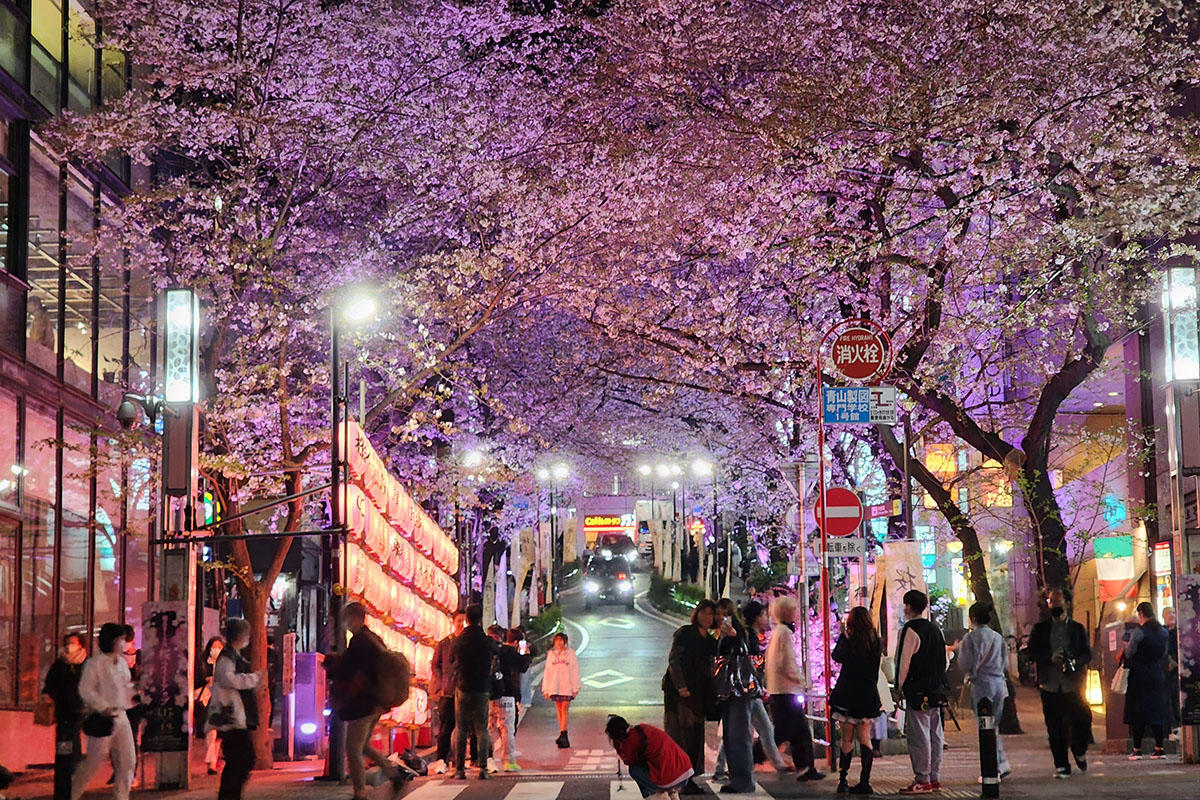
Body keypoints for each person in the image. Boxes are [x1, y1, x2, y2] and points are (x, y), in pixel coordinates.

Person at [329, 603, 409, 798]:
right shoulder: (374, 638)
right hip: (378, 701)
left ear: (355, 618)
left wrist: (333, 661)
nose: (345, 624)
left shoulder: (359, 641)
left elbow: (348, 669)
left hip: (365, 703)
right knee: (363, 745)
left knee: (353, 747)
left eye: (346, 619)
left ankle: (360, 791)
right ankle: (393, 773)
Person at [714, 601, 788, 778]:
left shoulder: (746, 635)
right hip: (743, 688)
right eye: (763, 615)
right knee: (742, 730)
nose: (766, 618)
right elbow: (747, 662)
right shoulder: (742, 635)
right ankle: (725, 769)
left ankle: (778, 764)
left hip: (748, 689)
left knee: (761, 728)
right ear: (756, 617)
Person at [1027, 587, 1092, 779]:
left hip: (1073, 684)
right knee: (1054, 726)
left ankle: (1079, 750)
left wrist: (1075, 662)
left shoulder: (1077, 629)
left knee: (1083, 718)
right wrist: (1049, 658)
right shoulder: (1040, 629)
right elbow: (1031, 652)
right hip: (1050, 684)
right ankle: (1062, 765)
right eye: (1051, 602)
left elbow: (1087, 654)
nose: (1054, 605)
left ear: (1067, 603)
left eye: (1058, 602)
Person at [70, 623, 136, 800]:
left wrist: (135, 696)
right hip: (103, 718)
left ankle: (121, 796)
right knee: (93, 763)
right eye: (121, 639)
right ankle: (71, 795)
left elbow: (126, 687)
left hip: (121, 716)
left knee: (128, 761)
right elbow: (86, 689)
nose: (124, 643)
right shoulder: (95, 664)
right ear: (112, 641)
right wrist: (102, 706)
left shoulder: (122, 663)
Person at [764, 595, 824, 782]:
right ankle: (752, 755)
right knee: (796, 732)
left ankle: (805, 768)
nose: (797, 614)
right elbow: (787, 663)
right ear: (787, 613)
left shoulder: (778, 632)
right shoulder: (784, 634)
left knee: (791, 732)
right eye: (794, 610)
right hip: (787, 690)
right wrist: (801, 681)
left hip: (779, 690)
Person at [895, 589, 948, 795]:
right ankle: (934, 777)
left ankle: (922, 779)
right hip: (937, 689)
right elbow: (943, 662)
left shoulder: (910, 630)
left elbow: (903, 663)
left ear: (908, 607)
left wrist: (899, 688)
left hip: (917, 691)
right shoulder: (936, 630)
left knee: (919, 736)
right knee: (936, 734)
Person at [664, 599, 718, 795]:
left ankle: (690, 778)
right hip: (680, 694)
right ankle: (680, 779)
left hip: (699, 695)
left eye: (711, 614)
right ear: (697, 614)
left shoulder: (711, 641)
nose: (707, 617)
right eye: (704, 612)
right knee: (681, 736)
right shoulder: (685, 633)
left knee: (696, 737)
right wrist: (681, 686)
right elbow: (674, 659)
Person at [204, 619, 260, 800]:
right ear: (241, 635)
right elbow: (229, 679)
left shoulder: (232, 655)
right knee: (242, 758)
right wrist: (254, 679)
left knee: (240, 759)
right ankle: (230, 795)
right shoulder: (228, 656)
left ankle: (231, 795)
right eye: (247, 634)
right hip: (231, 716)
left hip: (234, 715)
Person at [829, 607, 882, 795]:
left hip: (847, 695)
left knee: (846, 739)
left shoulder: (850, 641)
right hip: (867, 696)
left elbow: (836, 656)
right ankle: (864, 781)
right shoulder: (875, 642)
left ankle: (843, 780)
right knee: (865, 738)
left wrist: (843, 635)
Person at [957, 601, 1012, 778]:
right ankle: (1001, 763)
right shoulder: (997, 637)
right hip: (999, 684)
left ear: (973, 618)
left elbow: (964, 663)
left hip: (982, 686)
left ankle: (995, 768)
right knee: (993, 726)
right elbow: (1006, 663)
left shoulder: (971, 638)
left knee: (985, 727)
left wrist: (970, 673)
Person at [453, 604, 498, 779]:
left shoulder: (459, 640)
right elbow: (497, 652)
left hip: (463, 687)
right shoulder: (487, 641)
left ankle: (459, 770)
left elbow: (452, 659)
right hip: (482, 688)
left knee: (462, 728)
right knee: (481, 729)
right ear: (481, 619)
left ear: (466, 619)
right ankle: (483, 768)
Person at [43, 631, 88, 800]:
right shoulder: (60, 665)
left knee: (76, 753)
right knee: (64, 754)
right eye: (68, 642)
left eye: (73, 642)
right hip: (65, 716)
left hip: (83, 713)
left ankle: (73, 790)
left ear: (81, 645)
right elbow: (48, 687)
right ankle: (62, 792)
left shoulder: (86, 665)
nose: (70, 646)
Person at [1122, 602, 1170, 759]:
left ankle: (1137, 750)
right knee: (1156, 709)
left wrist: (1126, 646)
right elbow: (1164, 653)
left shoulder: (1139, 632)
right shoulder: (1163, 632)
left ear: (1141, 613)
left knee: (1138, 711)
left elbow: (1129, 653)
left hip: (1139, 674)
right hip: (1156, 673)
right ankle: (1159, 748)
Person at [606, 715, 694, 800]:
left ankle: (658, 796)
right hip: (685, 770)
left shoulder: (630, 743)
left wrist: (617, 747)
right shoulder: (643, 728)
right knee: (657, 761)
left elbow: (628, 761)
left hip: (670, 779)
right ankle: (673, 793)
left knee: (634, 769)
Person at [487, 625, 531, 772]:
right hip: (506, 693)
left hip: (486, 694)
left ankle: (486, 760)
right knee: (507, 729)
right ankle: (509, 761)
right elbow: (523, 666)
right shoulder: (508, 650)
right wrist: (524, 653)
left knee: (488, 728)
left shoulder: (484, 648)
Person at [430, 612, 467, 774]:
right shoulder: (444, 643)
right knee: (446, 727)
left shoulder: (468, 643)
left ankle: (460, 760)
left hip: (465, 690)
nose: (461, 624)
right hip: (448, 692)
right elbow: (435, 664)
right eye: (459, 621)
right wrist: (442, 680)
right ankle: (441, 759)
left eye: (464, 621)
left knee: (465, 727)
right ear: (453, 622)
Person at [542, 631, 582, 749]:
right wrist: (546, 689)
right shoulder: (551, 654)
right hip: (555, 686)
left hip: (566, 686)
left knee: (564, 709)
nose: (559, 643)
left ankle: (564, 733)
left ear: (565, 642)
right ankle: (562, 732)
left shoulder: (571, 654)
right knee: (559, 710)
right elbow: (547, 672)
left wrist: (575, 687)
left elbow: (575, 670)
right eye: (557, 640)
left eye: (561, 640)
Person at [195, 636, 225, 775]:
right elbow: (196, 680)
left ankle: (213, 761)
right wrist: (207, 680)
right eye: (214, 647)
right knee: (211, 733)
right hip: (207, 700)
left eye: (220, 647)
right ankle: (211, 764)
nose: (216, 650)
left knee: (219, 735)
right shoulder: (203, 664)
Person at [1162, 607, 1180, 736]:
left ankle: (1179, 725)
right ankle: (1171, 727)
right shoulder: (1162, 632)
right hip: (1166, 672)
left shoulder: (1179, 631)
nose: (1171, 615)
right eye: (1169, 613)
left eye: (1173, 613)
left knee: (1177, 698)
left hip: (1179, 671)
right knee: (1167, 699)